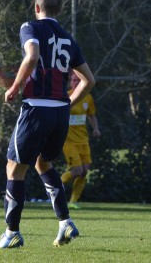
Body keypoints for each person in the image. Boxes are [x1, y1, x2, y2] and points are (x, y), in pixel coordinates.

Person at [0, 0, 95, 249]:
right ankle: (65, 222)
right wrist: (67, 103)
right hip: (59, 112)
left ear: (36, 8)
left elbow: (32, 56)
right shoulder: (68, 38)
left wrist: (15, 87)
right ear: (58, 10)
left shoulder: (31, 27)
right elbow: (89, 80)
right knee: (43, 163)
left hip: (37, 108)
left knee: (14, 169)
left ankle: (12, 232)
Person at [61, 70, 101, 209]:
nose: (76, 83)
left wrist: (96, 129)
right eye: (74, 80)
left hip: (83, 140)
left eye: (79, 80)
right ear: (70, 82)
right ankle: (54, 186)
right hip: (68, 140)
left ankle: (73, 202)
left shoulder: (87, 97)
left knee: (84, 172)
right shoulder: (65, 97)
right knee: (77, 170)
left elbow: (91, 115)